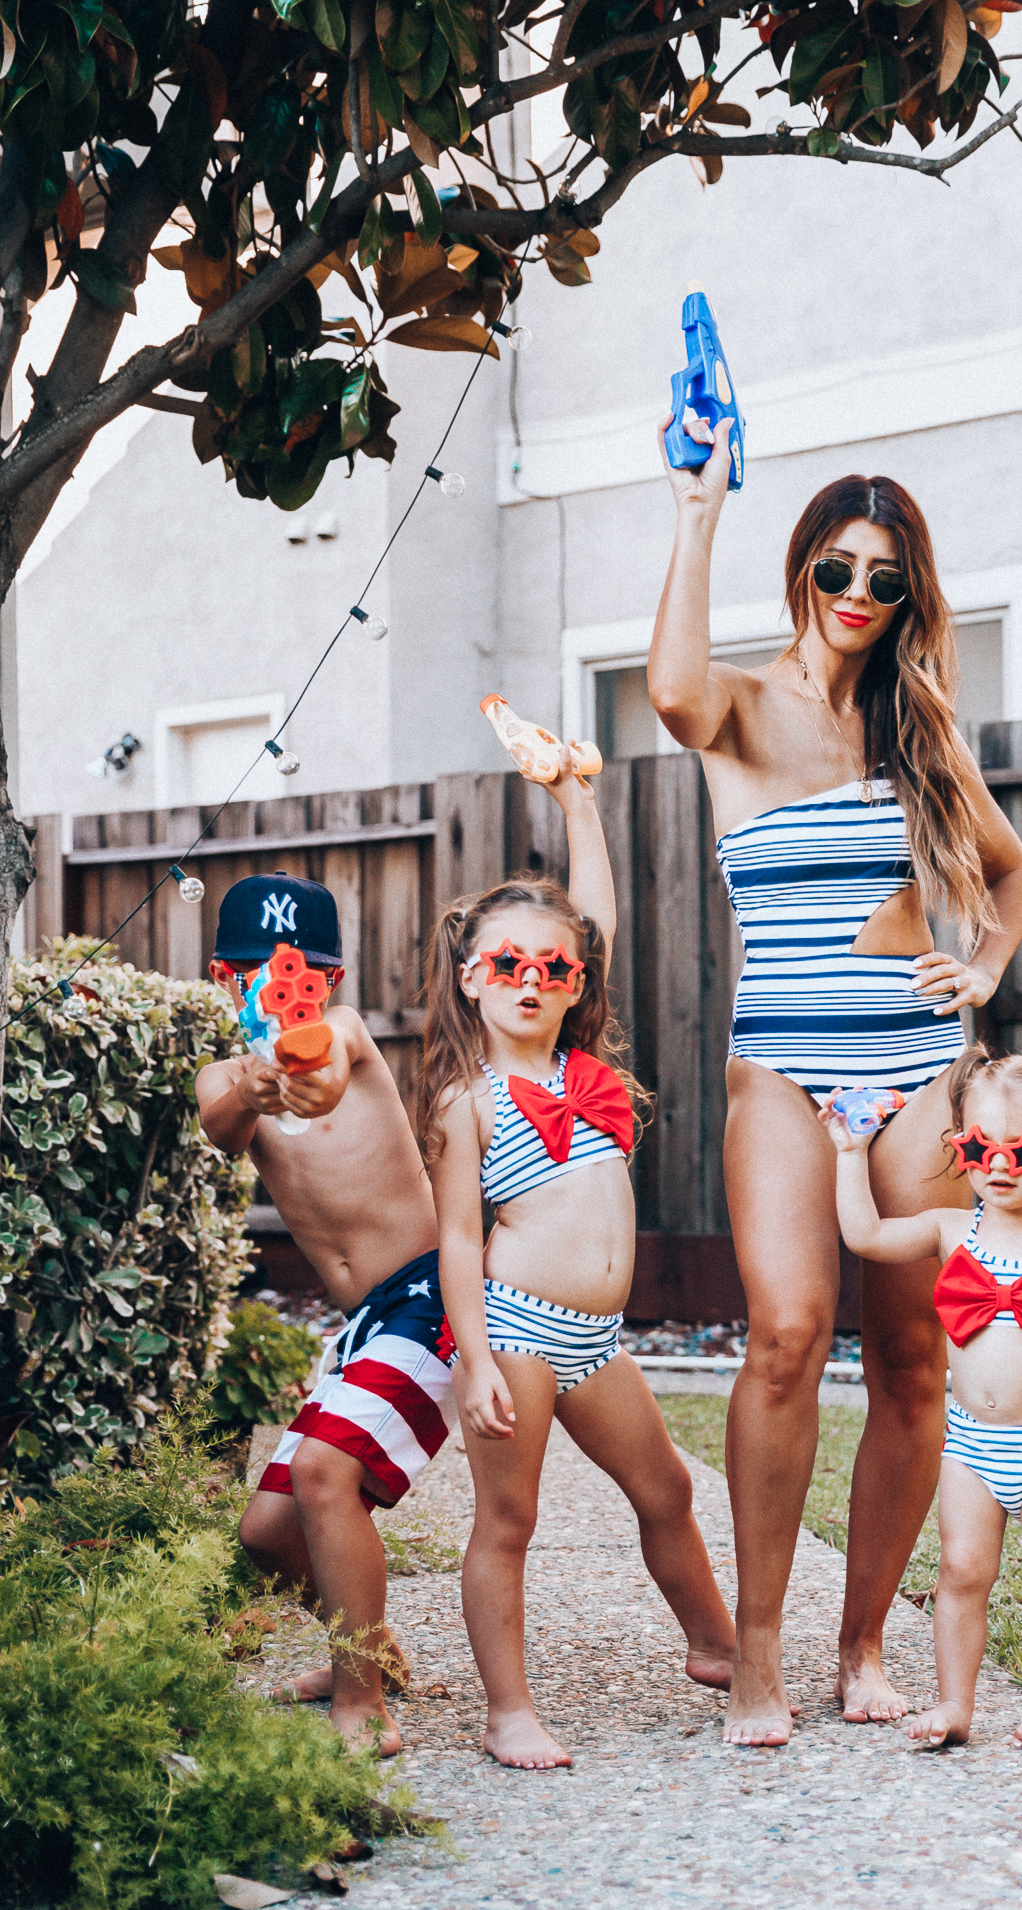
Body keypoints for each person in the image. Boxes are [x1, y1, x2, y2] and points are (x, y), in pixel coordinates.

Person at [646, 418, 1022, 1745]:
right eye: (840, 571)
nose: (861, 599)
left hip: (917, 1074)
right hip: (787, 1073)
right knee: (783, 1337)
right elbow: (668, 690)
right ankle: (753, 1655)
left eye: (887, 579)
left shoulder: (917, 731)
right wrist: (698, 507)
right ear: (804, 569)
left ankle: (861, 1644)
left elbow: (1010, 875)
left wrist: (979, 968)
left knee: (916, 1361)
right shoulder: (744, 712)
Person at [421, 750, 736, 1771]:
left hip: (595, 1340)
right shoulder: (468, 1102)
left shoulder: (587, 1072)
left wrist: (579, 802)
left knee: (669, 1490)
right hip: (513, 1328)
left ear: (576, 984)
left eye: (551, 968)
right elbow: (459, 1239)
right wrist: (471, 1359)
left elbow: (595, 918)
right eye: (507, 962)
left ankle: (716, 1642)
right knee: (509, 1517)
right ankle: (507, 1708)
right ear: (473, 977)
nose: (531, 979)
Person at [823, 1047, 1022, 1749]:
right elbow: (866, 1235)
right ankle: (953, 1705)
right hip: (971, 1441)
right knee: (960, 1571)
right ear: (958, 1146)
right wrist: (850, 1154)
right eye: (981, 1146)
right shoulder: (949, 1231)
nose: (998, 1165)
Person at [197, 871, 452, 1758]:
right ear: (223, 980)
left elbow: (327, 1077)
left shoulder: (339, 1033)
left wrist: (297, 1072)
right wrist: (251, 1090)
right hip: (360, 1328)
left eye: (296, 969)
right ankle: (371, 1644)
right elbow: (219, 1128)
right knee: (267, 1534)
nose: (272, 983)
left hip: (429, 1298)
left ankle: (362, 1697)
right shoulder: (226, 1072)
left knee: (321, 1479)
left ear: (328, 978)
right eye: (251, 972)